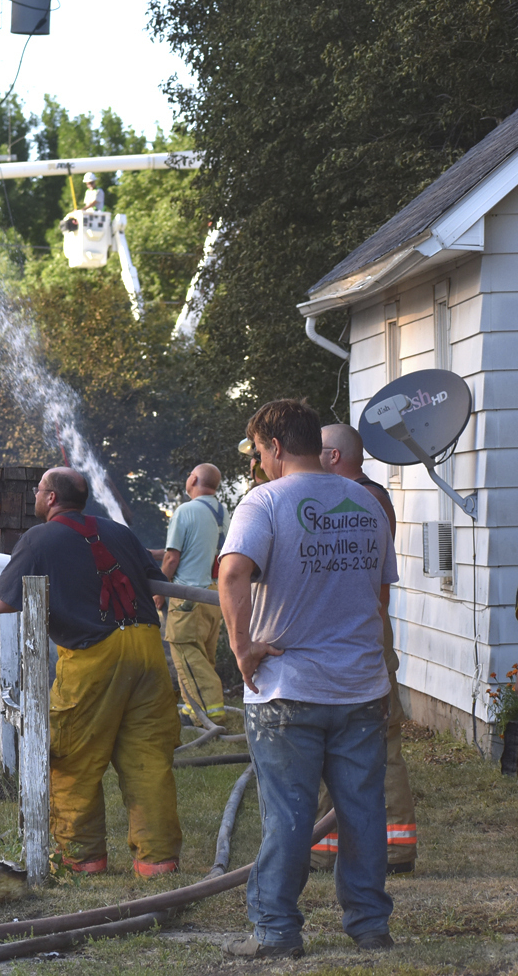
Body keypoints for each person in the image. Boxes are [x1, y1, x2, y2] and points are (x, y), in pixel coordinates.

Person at [218, 400, 396, 959]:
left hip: (286, 689)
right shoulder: (366, 502)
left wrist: (241, 646)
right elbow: (382, 592)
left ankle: (276, 932)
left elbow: (232, 571)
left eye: (259, 454)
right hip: (361, 684)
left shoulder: (265, 502)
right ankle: (370, 927)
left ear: (273, 447)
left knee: (290, 812)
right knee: (363, 810)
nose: (260, 465)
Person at [0, 467, 181, 877]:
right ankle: (158, 862)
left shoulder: (38, 539)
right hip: (147, 650)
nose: (35, 498)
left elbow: (1, 604)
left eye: (38, 491)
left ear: (52, 499)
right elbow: (156, 583)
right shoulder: (120, 533)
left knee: (72, 758)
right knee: (148, 761)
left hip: (94, 657)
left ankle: (81, 859)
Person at [319, 422, 417, 875]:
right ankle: (330, 844)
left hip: (365, 630)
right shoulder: (362, 497)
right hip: (358, 627)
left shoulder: (364, 499)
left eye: (316, 451)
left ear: (335, 456)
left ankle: (392, 847)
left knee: (379, 736)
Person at [152, 464, 229, 725]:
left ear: (194, 479)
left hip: (187, 596)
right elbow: (195, 549)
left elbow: (173, 559)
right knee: (204, 655)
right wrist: (154, 553)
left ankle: (210, 714)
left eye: (188, 475)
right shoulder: (221, 511)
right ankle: (191, 708)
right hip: (214, 595)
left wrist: (160, 590)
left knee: (186, 652)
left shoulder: (185, 511)